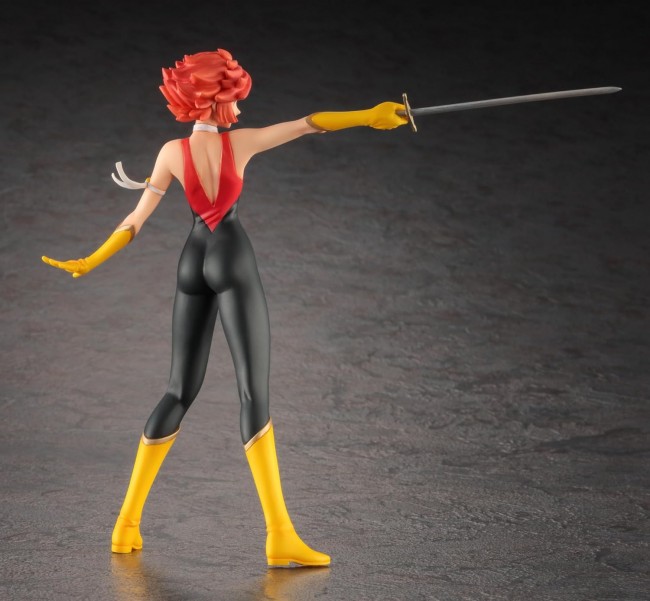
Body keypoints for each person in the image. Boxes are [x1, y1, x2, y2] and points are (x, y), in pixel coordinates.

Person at [42, 48, 407, 567]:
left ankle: (125, 526)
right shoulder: (241, 143)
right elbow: (308, 124)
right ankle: (279, 535)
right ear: (219, 98)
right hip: (231, 258)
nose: (239, 105)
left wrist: (92, 259)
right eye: (234, 96)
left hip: (192, 261)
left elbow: (135, 220)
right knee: (253, 393)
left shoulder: (172, 152)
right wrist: (370, 115)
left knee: (177, 391)